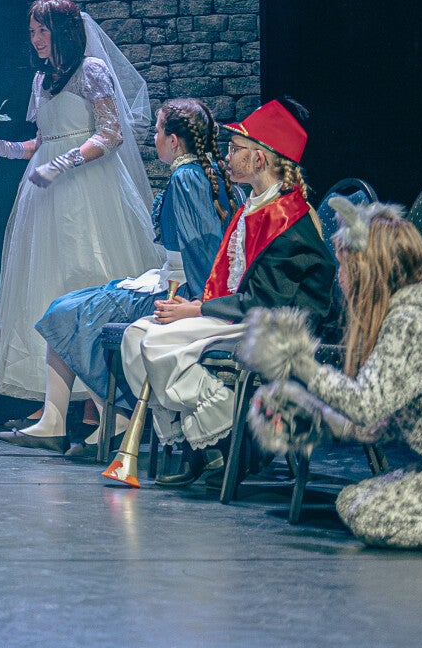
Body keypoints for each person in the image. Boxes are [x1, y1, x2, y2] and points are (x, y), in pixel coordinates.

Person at [0, 0, 161, 438]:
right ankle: (56, 411)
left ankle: (106, 410)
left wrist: (64, 163)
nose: (36, 39)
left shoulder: (93, 71)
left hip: (88, 189)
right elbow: (41, 140)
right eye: (32, 32)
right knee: (48, 286)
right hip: (46, 193)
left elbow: (111, 133)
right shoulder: (41, 80)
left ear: (65, 29)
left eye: (43, 30)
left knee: (90, 277)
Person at [243, 199, 422, 551]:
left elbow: (365, 404)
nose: (338, 277)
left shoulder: (411, 323)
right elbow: (378, 420)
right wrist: (313, 417)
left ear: (364, 272)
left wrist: (299, 361)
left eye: (343, 267)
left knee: (370, 516)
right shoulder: (407, 318)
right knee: (349, 501)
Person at [120, 99, 337, 485]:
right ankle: (206, 442)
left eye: (236, 150)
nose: (227, 156)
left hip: (274, 326)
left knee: (157, 343)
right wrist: (199, 305)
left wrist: (200, 310)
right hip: (243, 313)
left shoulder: (288, 222)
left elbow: (266, 302)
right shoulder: (254, 207)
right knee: (136, 335)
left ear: (259, 160)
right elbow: (233, 279)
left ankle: (227, 433)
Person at [21, 98, 236, 450]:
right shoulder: (209, 175)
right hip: (171, 280)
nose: (153, 138)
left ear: (173, 140)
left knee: (64, 311)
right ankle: (58, 421)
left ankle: (110, 417)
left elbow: (203, 247)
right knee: (69, 304)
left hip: (176, 292)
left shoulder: (187, 178)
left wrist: (199, 304)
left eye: (157, 130)